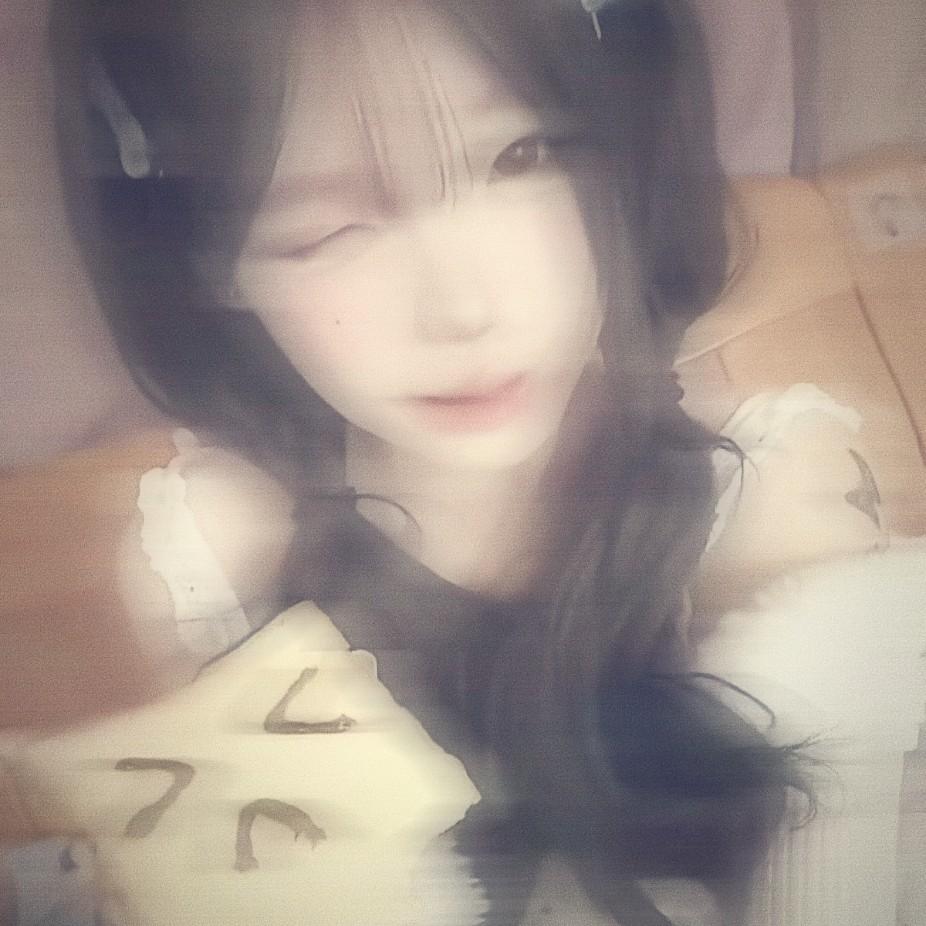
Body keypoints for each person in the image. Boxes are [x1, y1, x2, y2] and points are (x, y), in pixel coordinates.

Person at [5, 1, 813, 923]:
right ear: (211, 269)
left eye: (524, 158)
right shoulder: (227, 550)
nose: (462, 309)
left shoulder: (755, 494)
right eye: (324, 230)